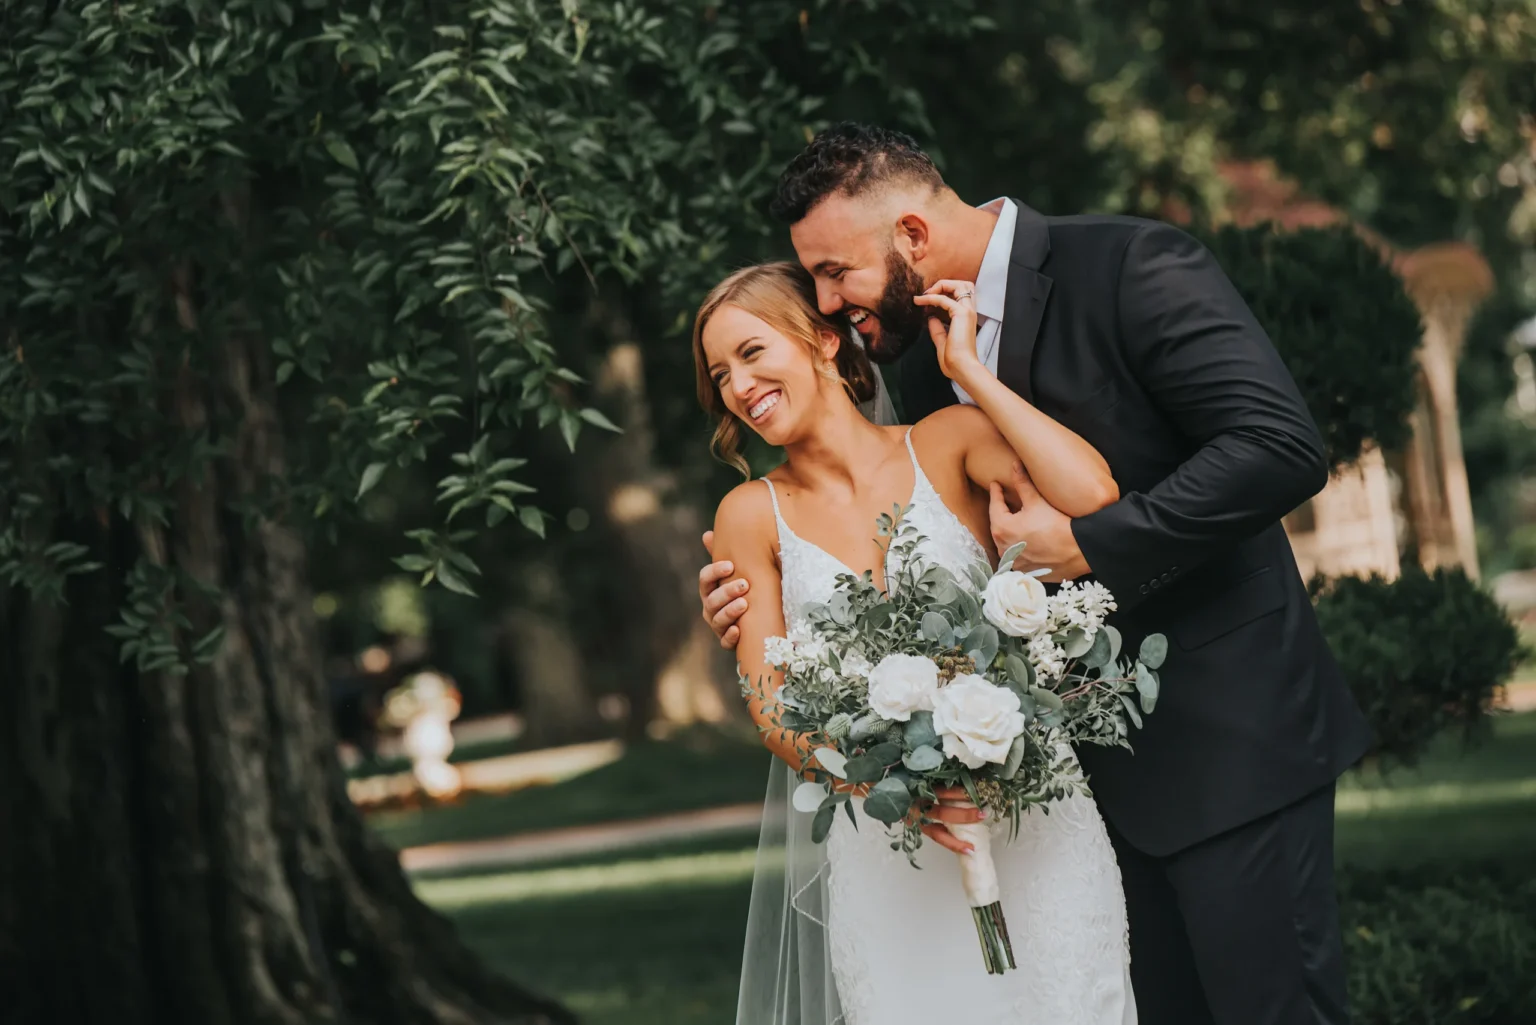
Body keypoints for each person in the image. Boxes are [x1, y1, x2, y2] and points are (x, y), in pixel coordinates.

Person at [701, 124, 1372, 1025]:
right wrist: (777, 613)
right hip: (1065, 790)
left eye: (835, 272)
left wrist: (1099, 543)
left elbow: (1277, 449)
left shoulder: (1131, 263)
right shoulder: (923, 355)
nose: (827, 303)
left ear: (909, 234)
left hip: (1227, 738)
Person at [700, 260, 1134, 1024]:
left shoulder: (948, 442)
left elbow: (1091, 495)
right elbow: (771, 707)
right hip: (890, 851)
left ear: (824, 341)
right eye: (719, 372)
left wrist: (969, 371)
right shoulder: (749, 514)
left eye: (751, 352)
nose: (737, 384)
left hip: (1035, 825)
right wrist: (891, 788)